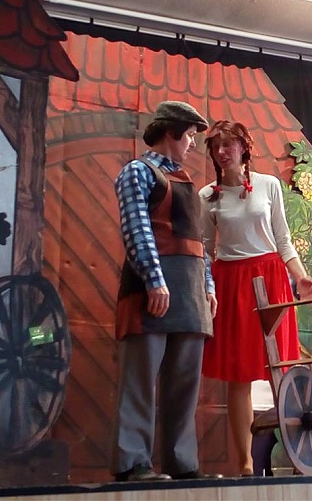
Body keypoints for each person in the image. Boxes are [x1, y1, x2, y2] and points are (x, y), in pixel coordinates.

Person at [109, 100, 220, 482]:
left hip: (189, 295)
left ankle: (182, 464)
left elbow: (198, 240)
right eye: (189, 135)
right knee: (140, 381)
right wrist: (154, 279)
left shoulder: (187, 181)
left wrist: (207, 285)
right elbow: (136, 229)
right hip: (151, 293)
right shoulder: (138, 172)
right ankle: (132, 463)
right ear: (171, 132)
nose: (192, 143)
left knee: (184, 386)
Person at [199, 120, 312, 477]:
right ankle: (245, 465)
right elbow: (205, 248)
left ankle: (296, 456)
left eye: (229, 144)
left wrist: (300, 277)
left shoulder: (269, 185)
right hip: (231, 283)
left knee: (280, 369)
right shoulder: (208, 196)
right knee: (238, 377)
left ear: (244, 147)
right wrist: (208, 288)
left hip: (270, 279)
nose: (222, 151)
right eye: (216, 146)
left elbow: (283, 240)